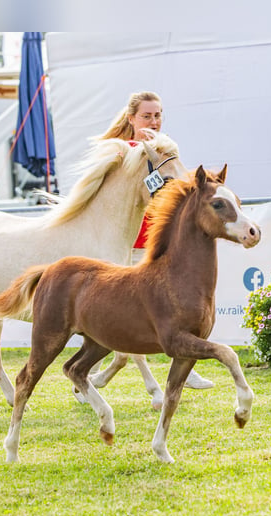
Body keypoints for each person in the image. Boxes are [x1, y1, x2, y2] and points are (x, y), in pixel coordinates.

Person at [97, 91, 215, 390]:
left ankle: (184, 367)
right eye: (147, 116)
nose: (154, 121)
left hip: (160, 240)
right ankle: (102, 374)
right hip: (131, 242)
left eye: (158, 115)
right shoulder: (122, 152)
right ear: (132, 118)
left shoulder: (165, 150)